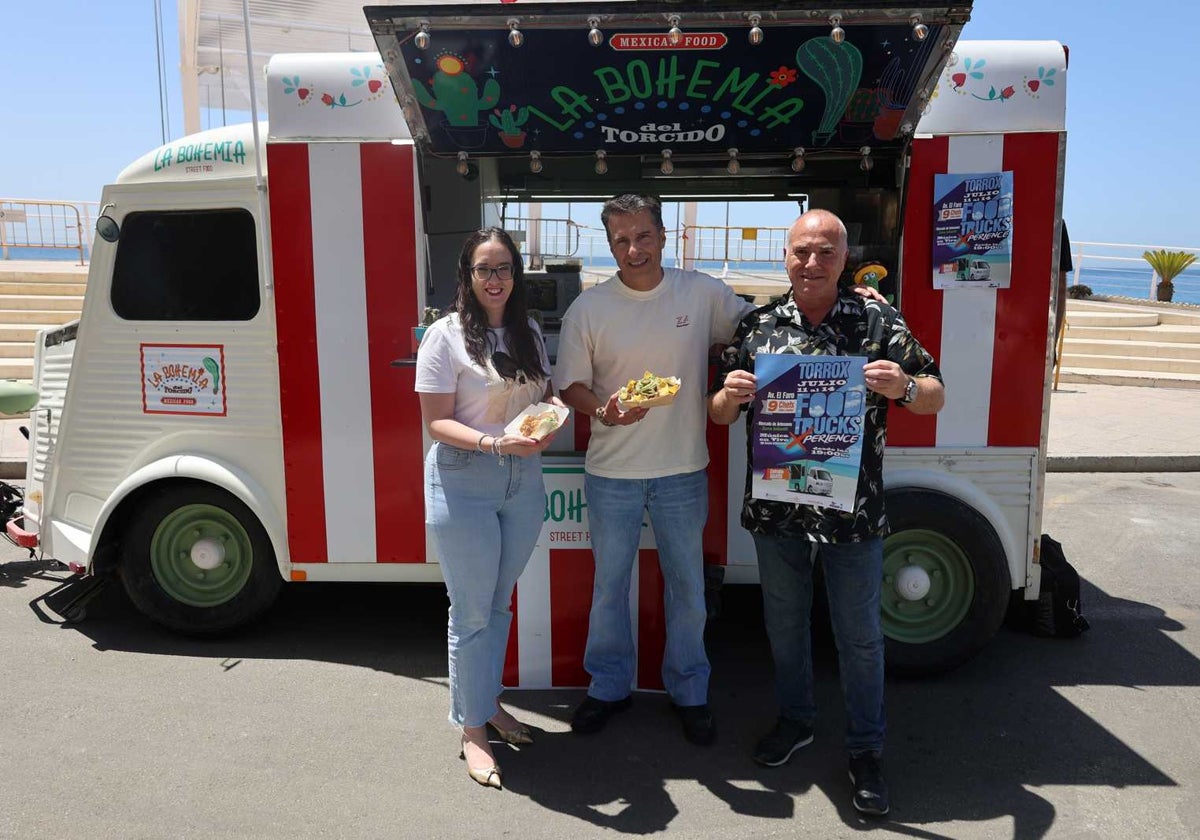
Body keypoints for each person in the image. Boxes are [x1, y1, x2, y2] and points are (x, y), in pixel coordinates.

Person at [708, 209, 945, 817]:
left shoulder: (875, 319)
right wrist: (728, 398)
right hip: (777, 511)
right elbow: (717, 414)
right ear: (784, 256)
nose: (811, 263)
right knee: (784, 628)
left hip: (852, 514)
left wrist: (904, 388)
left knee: (860, 637)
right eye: (801, 252)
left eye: (826, 253)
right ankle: (796, 721)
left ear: (844, 258)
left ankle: (866, 749)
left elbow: (934, 393)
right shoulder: (756, 326)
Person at [553, 194, 755, 746]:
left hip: (683, 469)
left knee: (687, 587)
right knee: (609, 586)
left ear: (663, 236)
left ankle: (690, 691)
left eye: (642, 236)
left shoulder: (702, 292)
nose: (633, 248)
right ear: (609, 244)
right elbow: (568, 385)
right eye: (620, 239)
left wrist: (841, 297)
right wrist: (603, 408)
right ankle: (608, 686)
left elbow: (759, 328)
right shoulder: (588, 310)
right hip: (611, 472)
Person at [416, 227, 563, 790]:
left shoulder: (526, 330)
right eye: (484, 269)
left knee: (498, 606)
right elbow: (435, 422)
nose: (496, 279)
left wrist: (549, 417)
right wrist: (495, 443)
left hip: (522, 481)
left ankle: (488, 704)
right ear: (468, 277)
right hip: (465, 480)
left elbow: (542, 395)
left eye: (504, 268)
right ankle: (472, 730)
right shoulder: (445, 336)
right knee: (471, 612)